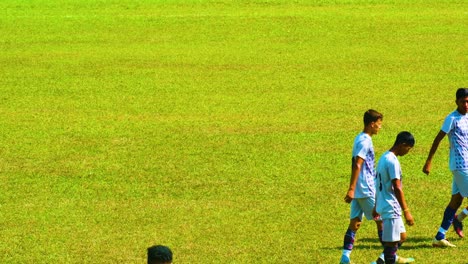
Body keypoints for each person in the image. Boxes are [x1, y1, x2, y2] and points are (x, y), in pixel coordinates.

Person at [423, 88, 468, 248]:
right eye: (463, 101)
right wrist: (429, 161)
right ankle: (459, 218)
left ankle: (439, 236)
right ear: (456, 101)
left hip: (466, 164)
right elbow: (437, 139)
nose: (466, 104)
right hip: (460, 165)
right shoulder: (452, 119)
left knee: (455, 201)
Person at [340, 109, 384, 264]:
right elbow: (357, 164)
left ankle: (345, 257)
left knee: (355, 222)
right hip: (365, 187)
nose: (380, 127)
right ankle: (387, 256)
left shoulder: (359, 138)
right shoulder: (365, 141)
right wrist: (351, 188)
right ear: (372, 124)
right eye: (379, 124)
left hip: (360, 189)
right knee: (383, 220)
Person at [372, 131, 415, 264]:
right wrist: (406, 211)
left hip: (383, 203)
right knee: (391, 244)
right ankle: (386, 259)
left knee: (402, 237)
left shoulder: (384, 157)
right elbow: (397, 187)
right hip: (390, 206)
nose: (408, 152)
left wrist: (375, 206)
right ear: (402, 145)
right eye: (408, 148)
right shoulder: (392, 162)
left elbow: (378, 183)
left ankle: (381, 259)